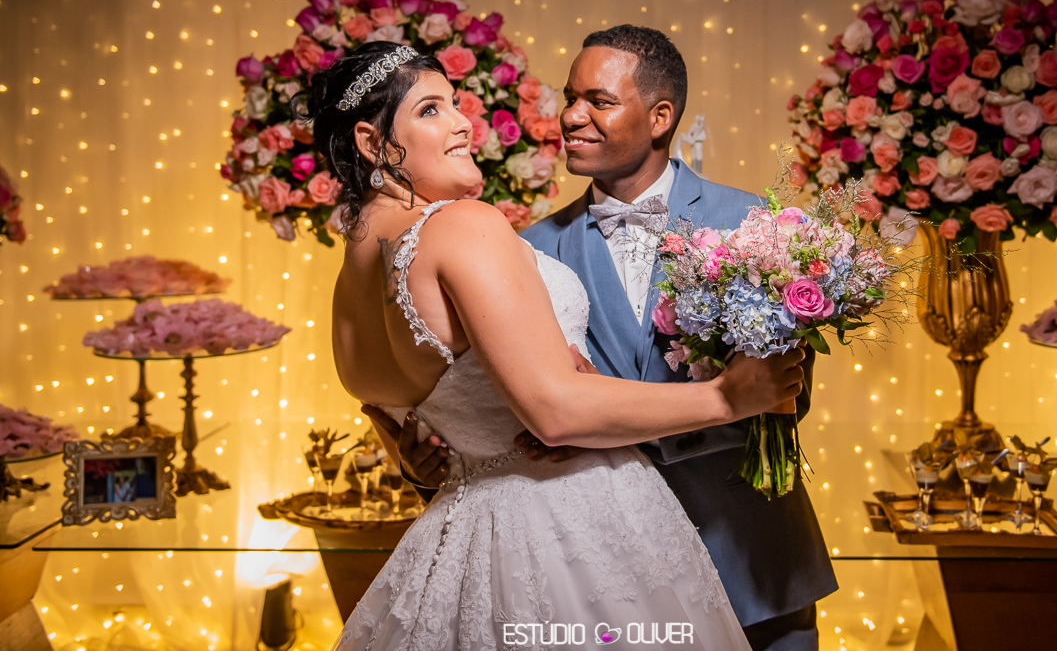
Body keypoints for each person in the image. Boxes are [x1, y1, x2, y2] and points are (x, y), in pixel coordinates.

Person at [312, 41, 808, 650]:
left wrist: (429, 456)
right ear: (371, 143)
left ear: (661, 115)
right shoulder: (482, 230)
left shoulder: (349, 283)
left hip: (491, 547)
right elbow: (552, 409)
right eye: (432, 109)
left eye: (598, 100)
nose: (466, 122)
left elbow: (413, 410)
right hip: (583, 536)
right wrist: (726, 397)